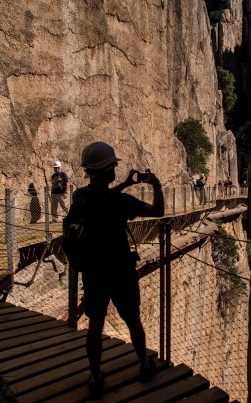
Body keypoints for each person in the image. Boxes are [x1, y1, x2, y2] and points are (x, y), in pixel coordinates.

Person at [75, 141, 164, 397]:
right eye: (113, 166)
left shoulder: (80, 197)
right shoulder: (121, 201)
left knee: (95, 322)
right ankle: (143, 364)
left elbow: (102, 197)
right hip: (120, 269)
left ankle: (94, 375)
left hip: (93, 270)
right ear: (109, 171)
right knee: (133, 318)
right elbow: (158, 210)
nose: (115, 169)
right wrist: (155, 184)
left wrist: (125, 183)